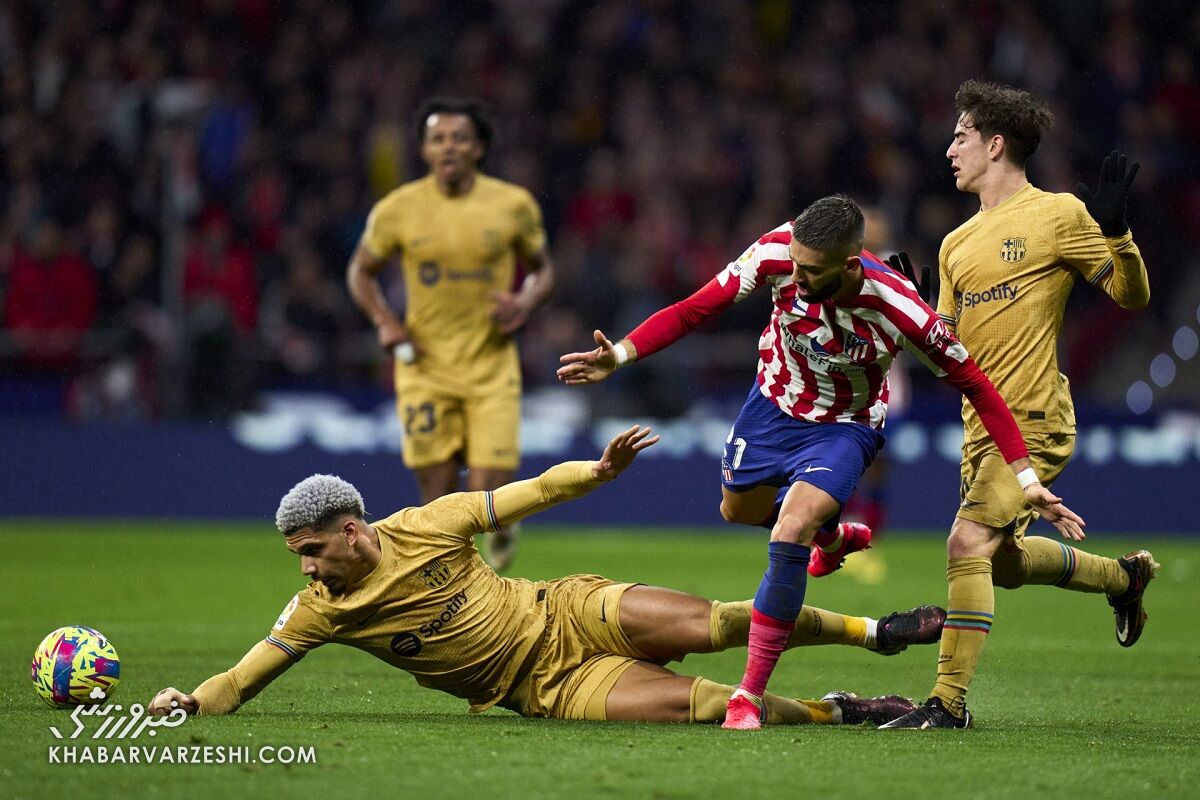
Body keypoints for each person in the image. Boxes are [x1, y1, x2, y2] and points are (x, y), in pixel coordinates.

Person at [557, 195, 1083, 731]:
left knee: (789, 530)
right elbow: (695, 309)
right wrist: (619, 355)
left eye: (811, 272)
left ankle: (747, 696)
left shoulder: (898, 306)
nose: (797, 279)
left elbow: (977, 385)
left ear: (850, 265)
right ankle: (832, 538)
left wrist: (1023, 474)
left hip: (843, 427)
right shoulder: (776, 252)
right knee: (736, 511)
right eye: (796, 266)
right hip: (771, 405)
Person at [148, 425, 946, 727]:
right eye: (301, 559)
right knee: (706, 706)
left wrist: (598, 471)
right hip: (547, 688)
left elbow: (527, 493)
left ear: (350, 531)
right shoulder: (321, 611)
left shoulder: (428, 523)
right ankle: (838, 711)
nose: (309, 569)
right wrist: (189, 702)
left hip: (567, 613)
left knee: (719, 624)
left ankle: (874, 632)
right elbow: (240, 678)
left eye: (312, 550)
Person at [879, 80, 1156, 730]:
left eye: (961, 136)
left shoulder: (1056, 214)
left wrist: (1119, 235)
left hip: (1036, 418)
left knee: (965, 540)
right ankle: (1123, 580)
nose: (950, 149)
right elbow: (949, 357)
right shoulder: (953, 244)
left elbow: (1131, 295)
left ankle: (947, 705)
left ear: (995, 143)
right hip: (983, 433)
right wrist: (915, 318)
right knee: (997, 563)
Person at [346, 96, 556, 571]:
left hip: (491, 365)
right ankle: (450, 595)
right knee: (436, 500)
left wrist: (524, 299)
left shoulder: (512, 205)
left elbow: (544, 271)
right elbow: (360, 272)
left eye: (460, 138)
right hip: (424, 367)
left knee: (486, 497)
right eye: (438, 138)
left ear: (479, 148)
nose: (449, 147)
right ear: (423, 149)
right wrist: (385, 319)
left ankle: (491, 562)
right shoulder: (398, 209)